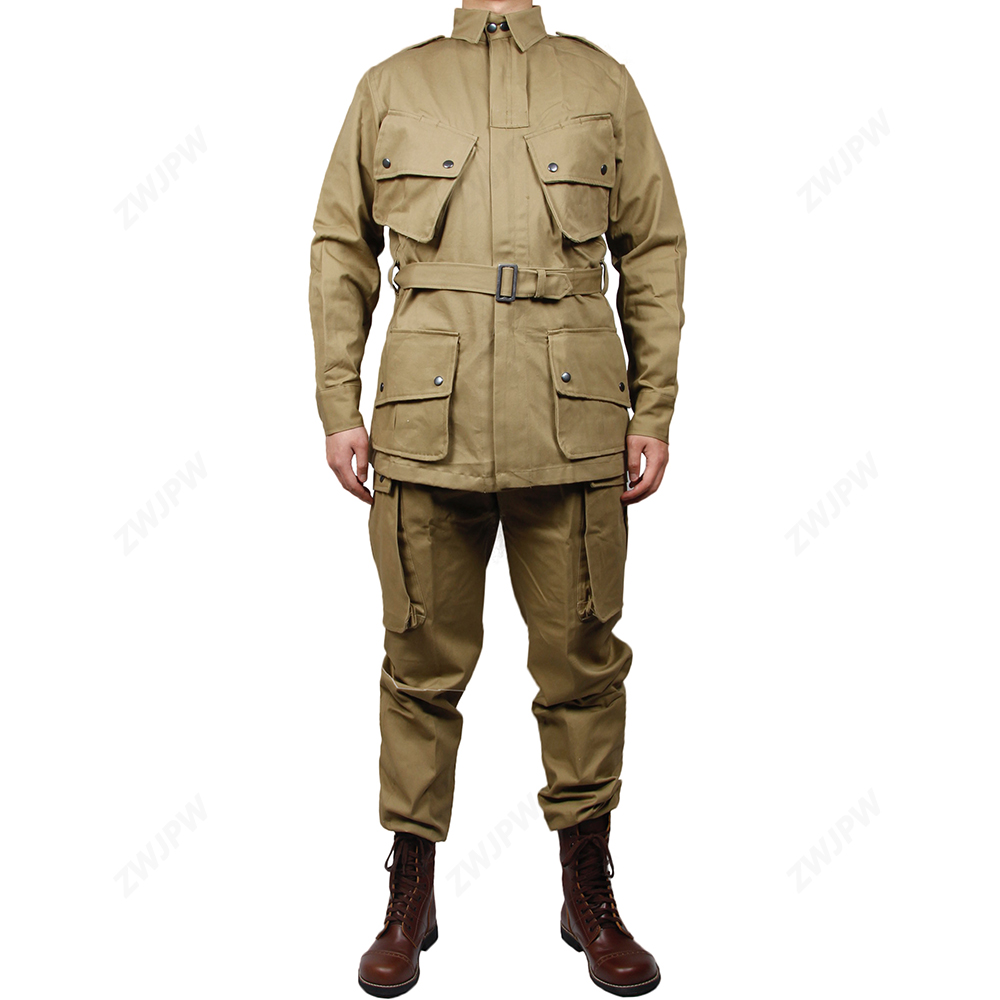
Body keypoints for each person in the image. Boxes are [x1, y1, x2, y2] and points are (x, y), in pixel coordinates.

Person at [308, 3, 685, 995]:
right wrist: (338, 403)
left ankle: (587, 888)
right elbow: (340, 246)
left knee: (583, 663)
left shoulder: (599, 81)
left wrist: (653, 407)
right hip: (424, 422)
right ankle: (411, 891)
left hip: (574, 420)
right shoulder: (391, 84)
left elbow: (652, 247)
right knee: (416, 667)